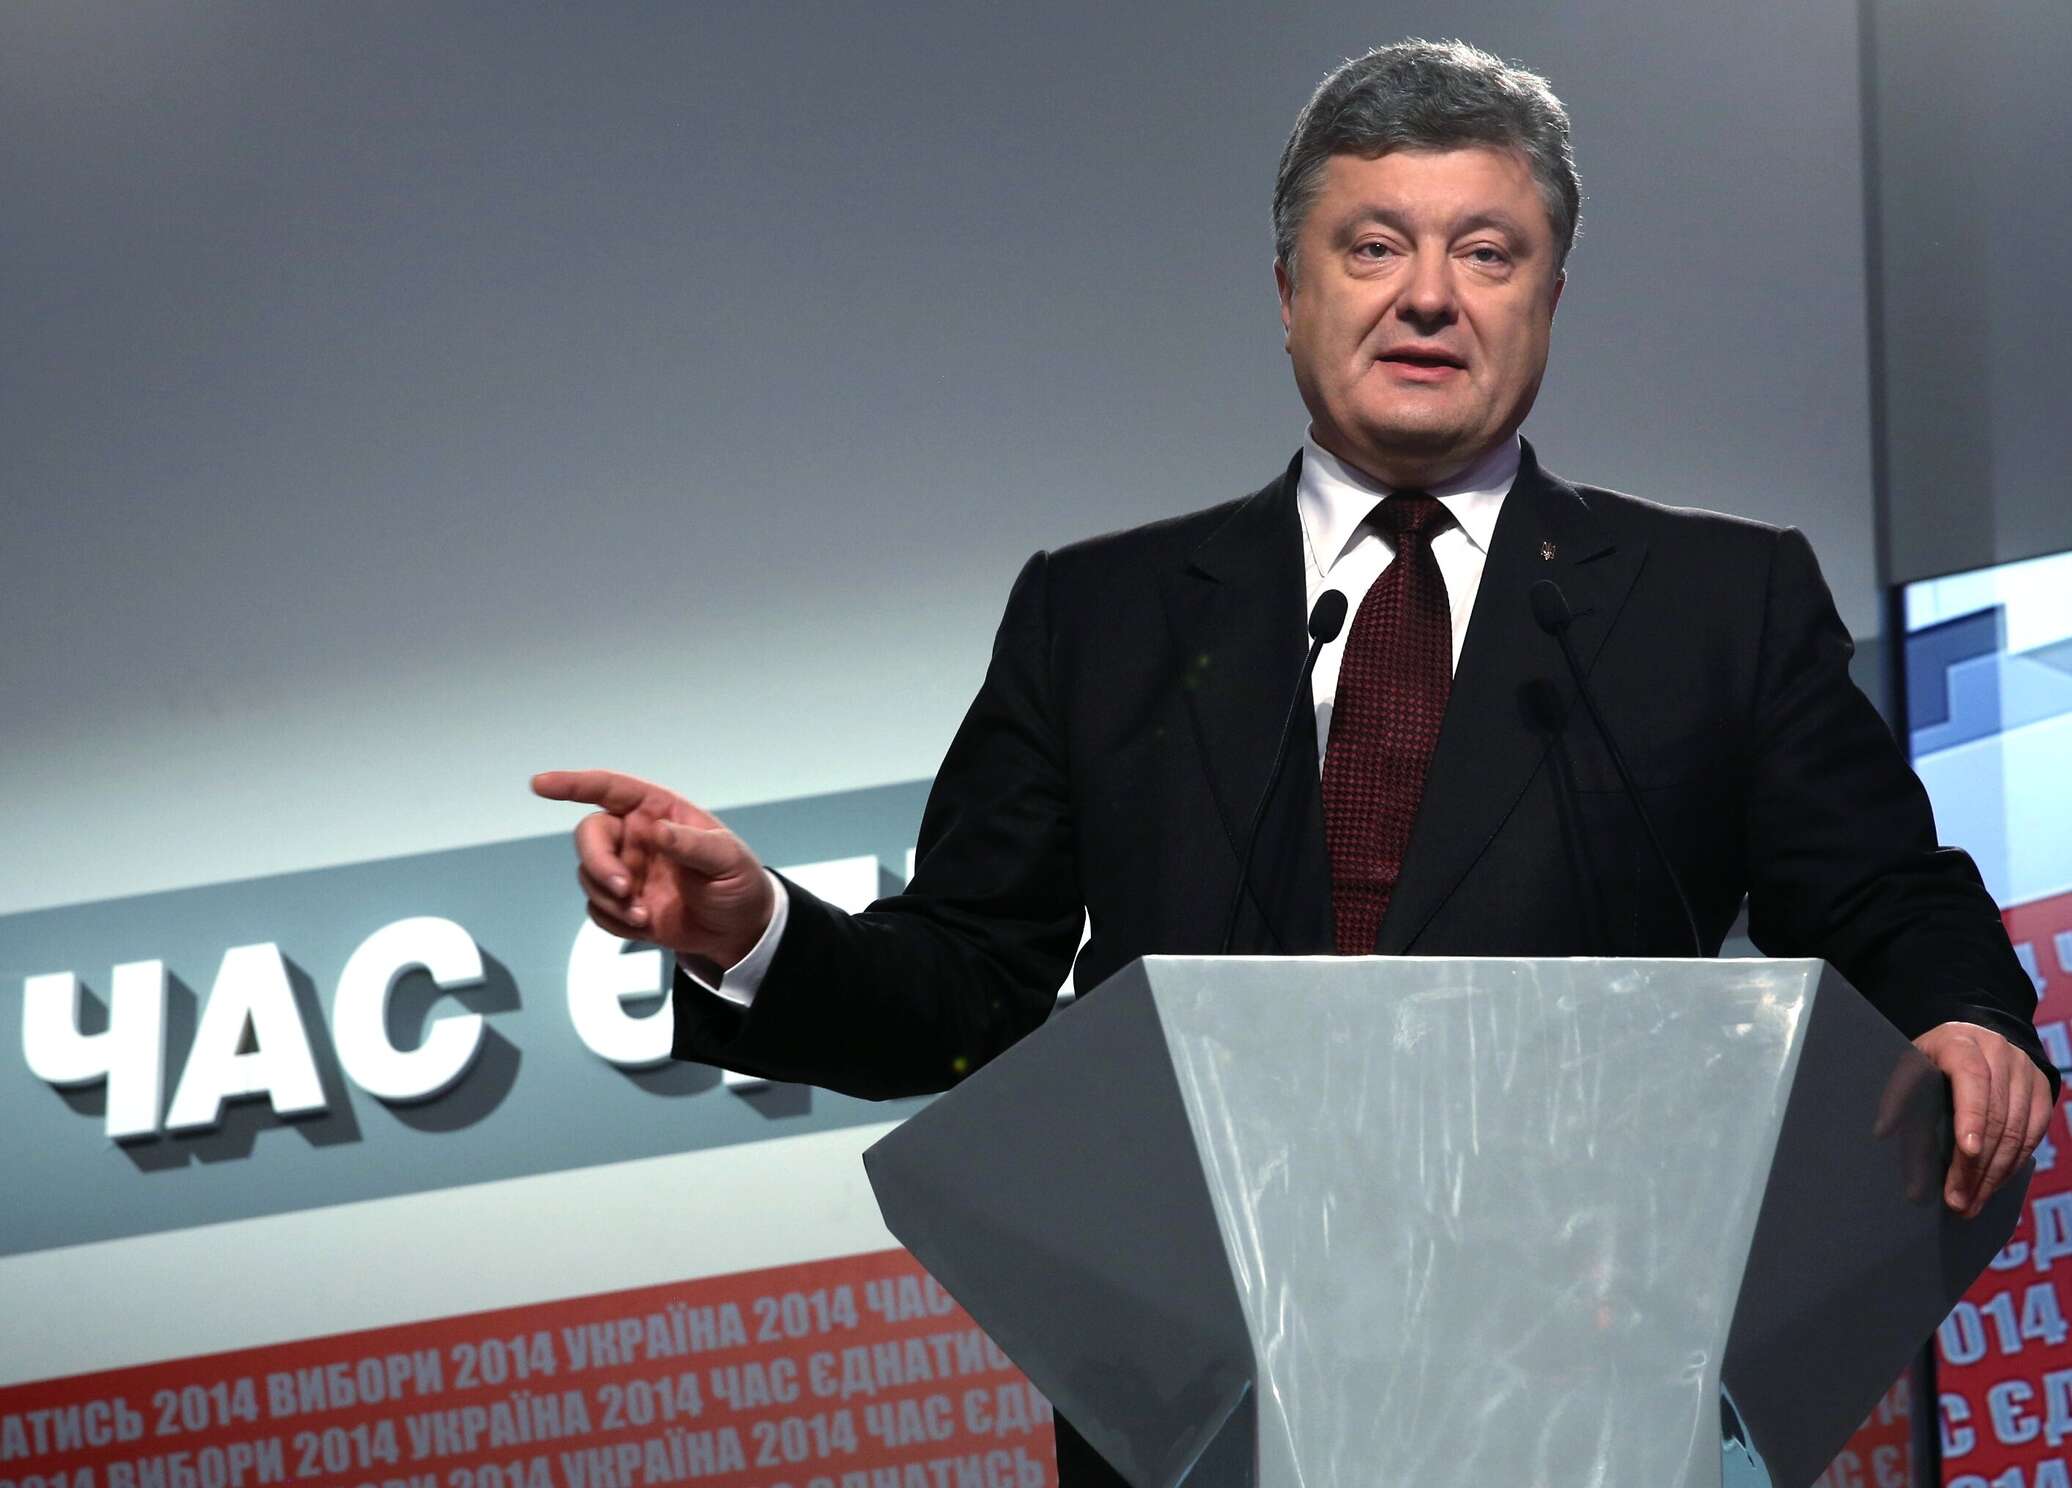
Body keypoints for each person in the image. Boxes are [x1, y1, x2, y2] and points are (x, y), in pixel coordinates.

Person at [536, 38, 2055, 1485]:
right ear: (1287, 292)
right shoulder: (1102, 615)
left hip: (1591, 1390)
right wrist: (753, 929)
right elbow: (963, 993)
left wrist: (1969, 1015)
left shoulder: (1715, 602)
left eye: (1487, 252)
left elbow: (1882, 892)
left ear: (1550, 297)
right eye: (1373, 246)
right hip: (1215, 1406)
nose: (1428, 297)